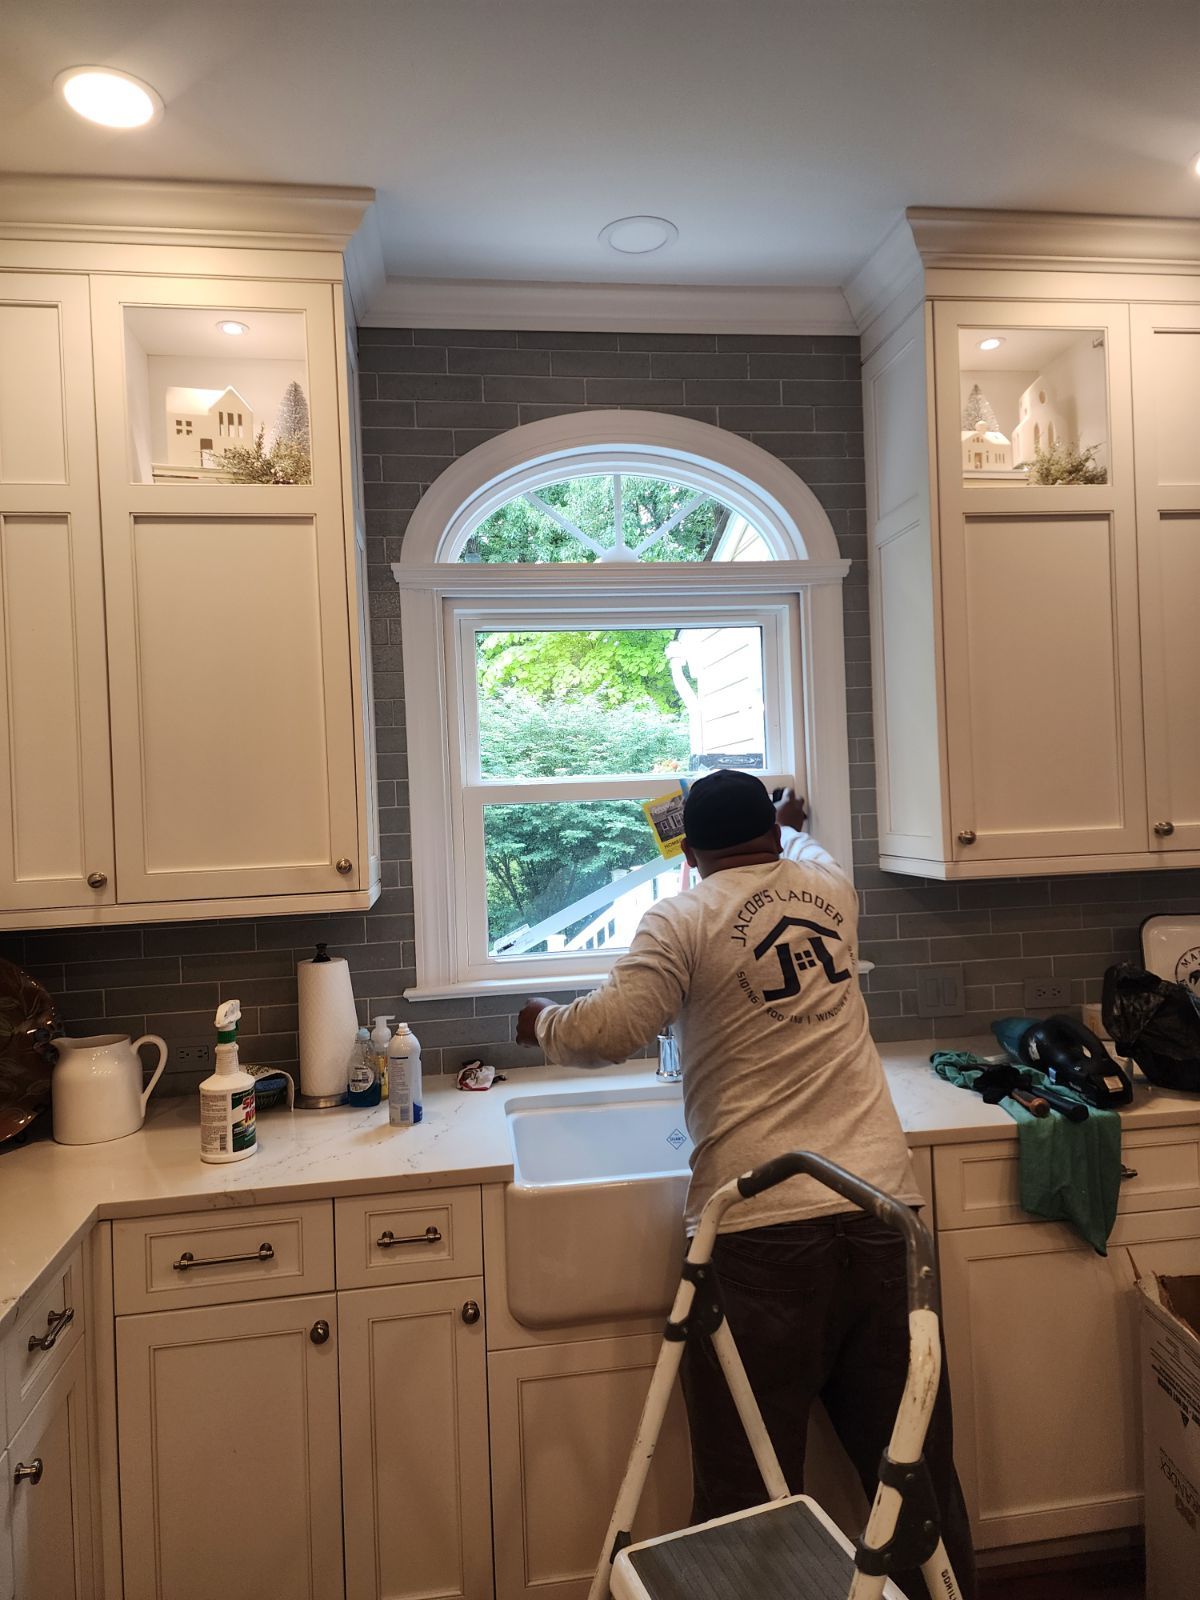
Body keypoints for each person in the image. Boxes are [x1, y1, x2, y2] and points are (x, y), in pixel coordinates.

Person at [516, 770, 976, 1600]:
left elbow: (611, 1028)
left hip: (764, 1235)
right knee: (911, 1480)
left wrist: (542, 1020)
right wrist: (790, 820)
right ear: (771, 830)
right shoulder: (830, 888)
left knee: (745, 1494)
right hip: (881, 1213)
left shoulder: (683, 916)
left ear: (688, 852)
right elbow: (802, 845)